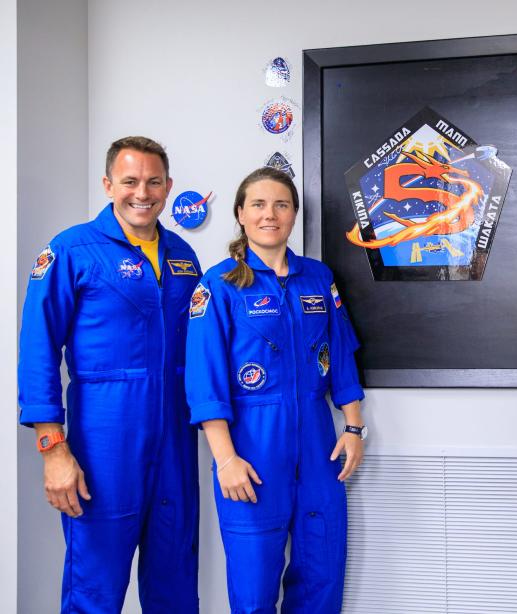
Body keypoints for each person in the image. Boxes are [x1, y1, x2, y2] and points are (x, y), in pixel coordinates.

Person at [18, 136, 201, 612]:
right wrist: (52, 448)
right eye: (130, 181)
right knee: (95, 587)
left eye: (153, 181)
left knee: (176, 581)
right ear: (107, 185)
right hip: (105, 437)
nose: (142, 192)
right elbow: (38, 349)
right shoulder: (72, 250)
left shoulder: (184, 257)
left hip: (176, 438)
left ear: (168, 186)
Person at [185, 167, 366, 613]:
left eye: (281, 205)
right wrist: (225, 459)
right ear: (241, 215)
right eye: (259, 205)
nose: (271, 214)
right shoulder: (219, 285)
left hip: (319, 447)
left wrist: (355, 428)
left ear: (293, 215)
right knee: (254, 586)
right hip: (251, 448)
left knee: (322, 576)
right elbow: (204, 379)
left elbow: (341, 357)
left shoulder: (317, 279)